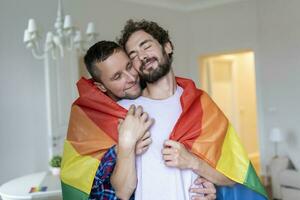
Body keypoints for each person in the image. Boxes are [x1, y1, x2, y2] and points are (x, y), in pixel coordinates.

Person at [116, 19, 268, 200]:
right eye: (133, 55)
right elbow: (122, 192)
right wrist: (126, 147)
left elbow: (232, 177)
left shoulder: (201, 104)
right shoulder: (127, 111)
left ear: (167, 47)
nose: (142, 56)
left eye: (146, 46)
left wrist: (192, 162)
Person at [61, 41, 217, 200]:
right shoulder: (89, 117)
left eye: (129, 66)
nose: (131, 78)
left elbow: (208, 160)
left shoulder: (174, 98)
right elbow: (88, 183)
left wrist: (207, 185)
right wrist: (122, 148)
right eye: (117, 76)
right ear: (101, 86)